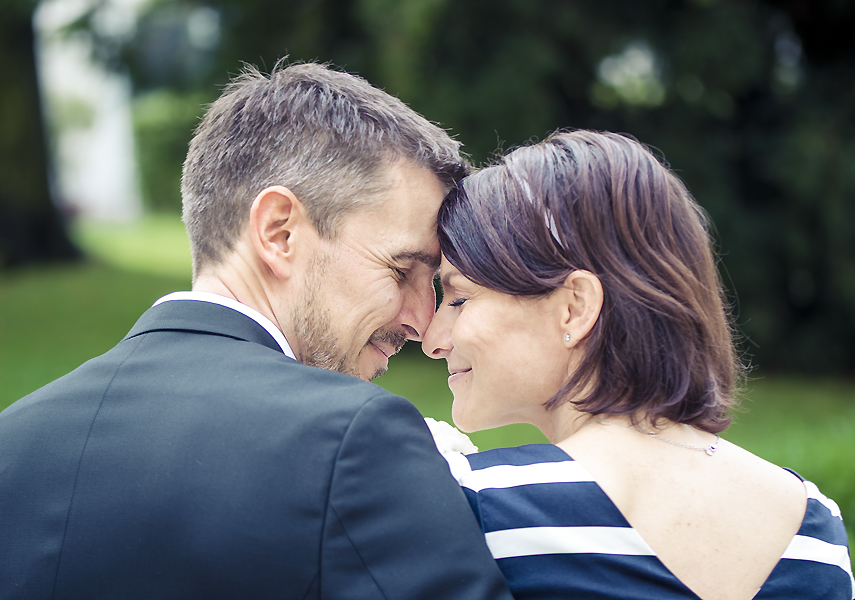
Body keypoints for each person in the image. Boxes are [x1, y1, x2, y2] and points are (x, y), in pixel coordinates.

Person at [0, 62, 514, 600]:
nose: (422, 320)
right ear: (279, 232)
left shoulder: (13, 442)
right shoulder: (351, 442)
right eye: (402, 270)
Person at [422, 130, 855, 600]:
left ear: (574, 307)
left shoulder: (481, 508)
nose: (432, 340)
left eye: (459, 298)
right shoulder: (813, 524)